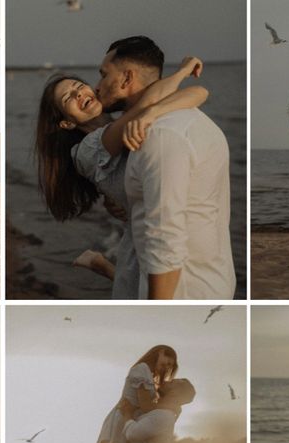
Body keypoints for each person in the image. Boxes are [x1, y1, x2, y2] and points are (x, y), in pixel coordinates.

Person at [35, 45, 209, 299]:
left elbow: (199, 92)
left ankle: (100, 264)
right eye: (68, 98)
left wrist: (154, 111)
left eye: (78, 86)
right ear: (67, 123)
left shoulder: (128, 117)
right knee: (142, 292)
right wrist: (182, 71)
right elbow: (152, 102)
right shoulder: (85, 152)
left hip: (154, 226)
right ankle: (101, 265)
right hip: (145, 240)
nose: (78, 93)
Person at [94, 37, 235, 299]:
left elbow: (164, 240)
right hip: (206, 281)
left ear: (126, 79)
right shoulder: (190, 121)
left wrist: (157, 313)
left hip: (182, 291)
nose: (97, 86)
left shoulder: (160, 135)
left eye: (103, 75)